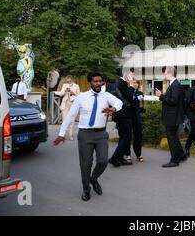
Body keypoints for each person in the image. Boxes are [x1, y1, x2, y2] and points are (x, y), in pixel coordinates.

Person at [53, 72, 123, 201]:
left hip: (101, 134)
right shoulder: (81, 97)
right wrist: (62, 133)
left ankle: (94, 178)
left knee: (103, 161)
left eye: (100, 81)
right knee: (85, 164)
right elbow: (70, 116)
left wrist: (113, 109)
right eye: (95, 81)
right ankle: (86, 189)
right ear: (90, 82)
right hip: (85, 134)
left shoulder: (106, 96)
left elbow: (119, 103)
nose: (98, 84)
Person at [155, 66, 187, 168]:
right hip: (173, 116)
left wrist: (161, 96)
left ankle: (174, 160)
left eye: (165, 73)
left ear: (170, 74)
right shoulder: (173, 85)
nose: (164, 75)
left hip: (173, 117)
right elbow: (172, 99)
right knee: (174, 137)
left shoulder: (175, 85)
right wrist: (163, 96)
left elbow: (173, 101)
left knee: (171, 138)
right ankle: (181, 155)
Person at [109, 71, 136, 167]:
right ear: (127, 76)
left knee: (122, 136)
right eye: (132, 76)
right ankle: (114, 158)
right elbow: (130, 95)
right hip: (124, 114)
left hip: (119, 113)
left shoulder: (117, 83)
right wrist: (132, 86)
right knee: (126, 137)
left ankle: (119, 159)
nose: (133, 78)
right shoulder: (123, 83)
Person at [124, 80, 145, 162]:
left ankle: (138, 154)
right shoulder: (127, 92)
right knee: (128, 136)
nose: (135, 84)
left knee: (138, 136)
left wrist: (141, 102)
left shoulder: (139, 93)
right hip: (128, 117)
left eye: (136, 83)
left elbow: (141, 106)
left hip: (137, 117)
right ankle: (127, 154)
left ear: (138, 85)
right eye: (133, 83)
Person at [59, 75, 81, 140]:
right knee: (64, 120)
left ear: (72, 80)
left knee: (71, 120)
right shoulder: (64, 85)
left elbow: (79, 96)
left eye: (70, 81)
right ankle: (62, 135)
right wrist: (65, 91)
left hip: (73, 104)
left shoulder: (76, 86)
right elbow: (61, 94)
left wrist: (73, 93)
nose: (68, 82)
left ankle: (71, 135)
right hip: (65, 104)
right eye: (67, 81)